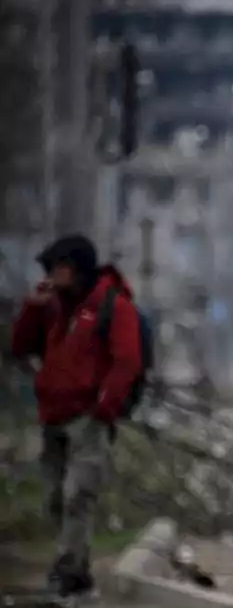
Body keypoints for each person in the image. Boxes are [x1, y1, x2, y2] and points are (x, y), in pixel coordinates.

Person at [10, 234, 144, 597]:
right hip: (54, 416)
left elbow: (127, 360)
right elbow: (19, 347)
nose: (54, 275)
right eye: (51, 268)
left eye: (61, 268)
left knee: (77, 495)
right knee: (55, 498)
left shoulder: (113, 306)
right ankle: (79, 573)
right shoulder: (53, 308)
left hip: (88, 419)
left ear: (79, 270)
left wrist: (104, 407)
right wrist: (33, 307)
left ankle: (66, 572)